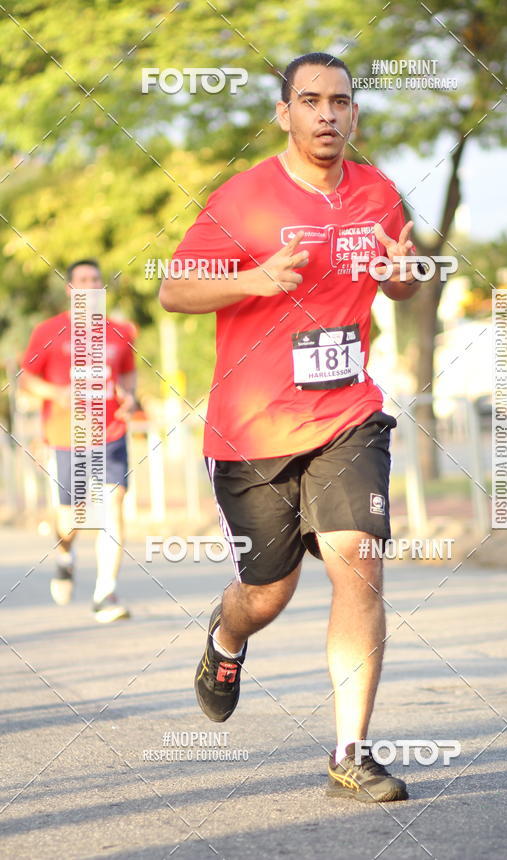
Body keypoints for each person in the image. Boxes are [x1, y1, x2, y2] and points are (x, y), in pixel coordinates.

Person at [160, 52, 423, 801]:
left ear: (355, 114)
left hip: (348, 413)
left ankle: (351, 753)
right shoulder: (241, 200)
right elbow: (175, 291)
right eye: (310, 101)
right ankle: (227, 635)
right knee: (268, 592)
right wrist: (251, 278)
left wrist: (404, 272)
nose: (327, 114)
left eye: (340, 101)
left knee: (356, 559)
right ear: (285, 114)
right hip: (251, 432)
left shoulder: (377, 194)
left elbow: (397, 283)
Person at [21, 259, 137, 623]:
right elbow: (26, 379)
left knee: (113, 505)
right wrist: (56, 393)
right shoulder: (48, 331)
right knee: (71, 518)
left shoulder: (120, 332)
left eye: (95, 280)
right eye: (82, 281)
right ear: (71, 290)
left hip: (111, 432)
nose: (89, 286)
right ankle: (65, 556)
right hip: (67, 435)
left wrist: (131, 397)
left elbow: (129, 375)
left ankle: (105, 593)